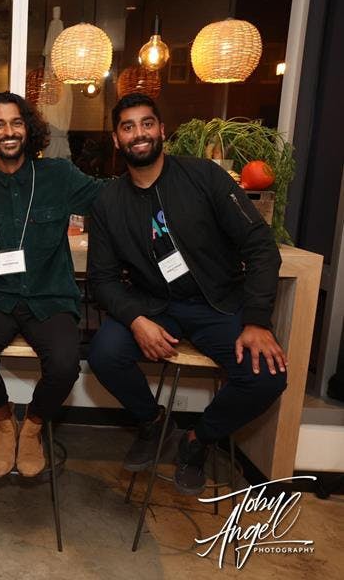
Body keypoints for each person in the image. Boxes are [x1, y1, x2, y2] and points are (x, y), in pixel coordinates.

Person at [86, 93, 287, 495]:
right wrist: (136, 320)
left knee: (266, 378)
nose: (139, 134)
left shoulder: (204, 177)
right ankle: (154, 423)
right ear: (117, 140)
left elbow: (261, 248)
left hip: (216, 304)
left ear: (162, 130)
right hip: (153, 306)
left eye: (147, 124)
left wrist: (256, 320)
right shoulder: (108, 201)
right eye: (128, 127)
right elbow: (102, 279)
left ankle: (198, 440)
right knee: (104, 354)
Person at [0, 91, 104, 478]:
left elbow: (109, 201)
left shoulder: (58, 175)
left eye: (16, 122)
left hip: (50, 294)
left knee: (66, 365)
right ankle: (5, 425)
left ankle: (33, 427)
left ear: (28, 128)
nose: (8, 131)